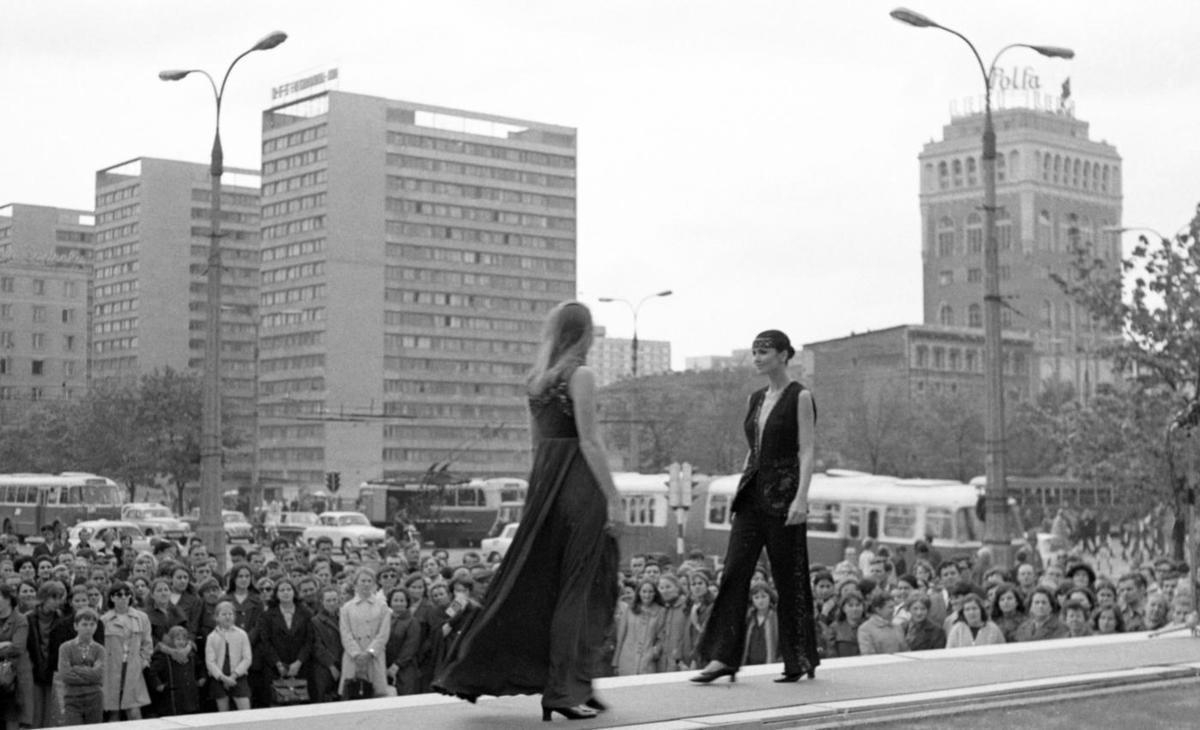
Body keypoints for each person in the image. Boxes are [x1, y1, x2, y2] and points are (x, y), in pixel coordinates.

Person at [434, 302, 621, 722]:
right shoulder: (582, 375)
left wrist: (540, 494)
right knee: (582, 588)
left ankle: (577, 685)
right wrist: (614, 496)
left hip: (547, 484)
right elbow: (590, 441)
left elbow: (536, 446)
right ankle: (563, 690)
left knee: (561, 586)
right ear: (585, 334)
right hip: (580, 485)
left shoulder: (537, 381)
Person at [694, 329, 820, 685]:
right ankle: (722, 657)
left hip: (784, 497)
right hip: (751, 496)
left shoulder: (801, 396)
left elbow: (807, 451)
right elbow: (754, 448)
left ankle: (799, 658)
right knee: (734, 571)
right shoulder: (755, 399)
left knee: (789, 576)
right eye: (754, 352)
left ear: (783, 355)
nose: (757, 358)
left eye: (764, 351)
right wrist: (742, 482)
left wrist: (801, 498)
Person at [100, 581, 152, 720]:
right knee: (113, 711)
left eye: (127, 594)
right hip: (111, 669)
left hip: (133, 668)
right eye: (119, 594)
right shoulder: (104, 620)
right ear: (112, 598)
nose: (123, 597)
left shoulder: (141, 617)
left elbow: (147, 644)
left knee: (134, 710)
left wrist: (142, 662)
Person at [259, 578, 313, 705]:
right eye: (281, 590)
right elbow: (265, 642)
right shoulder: (268, 615)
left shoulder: (306, 613)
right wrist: (278, 663)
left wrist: (299, 662)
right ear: (276, 594)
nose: (285, 592)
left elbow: (309, 640)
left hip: (301, 666)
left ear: (294, 592)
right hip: (275, 668)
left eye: (288, 589)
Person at [339, 568, 391, 699]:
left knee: (376, 694)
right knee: (352, 693)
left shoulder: (382, 607)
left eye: (369, 581)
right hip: (353, 658)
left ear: (374, 584)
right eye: (362, 580)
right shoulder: (347, 608)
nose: (366, 584)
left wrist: (370, 653)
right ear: (356, 583)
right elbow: (345, 633)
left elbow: (383, 633)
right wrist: (357, 654)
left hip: (374, 657)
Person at [57, 607, 106, 725]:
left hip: (95, 697)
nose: (88, 628)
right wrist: (89, 672)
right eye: (84, 624)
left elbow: (98, 675)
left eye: (92, 624)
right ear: (76, 626)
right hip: (72, 698)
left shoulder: (99, 649)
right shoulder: (66, 648)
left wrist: (76, 669)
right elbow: (65, 675)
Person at [205, 601, 252, 711]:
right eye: (224, 614)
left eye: (230, 614)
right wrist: (222, 677)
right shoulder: (211, 637)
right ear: (216, 617)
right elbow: (210, 662)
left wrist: (234, 676)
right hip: (219, 678)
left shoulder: (242, 634)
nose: (227, 617)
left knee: (245, 710)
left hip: (238, 677)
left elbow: (247, 658)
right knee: (223, 713)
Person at [614, 580, 665, 675]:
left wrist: (654, 652)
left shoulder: (661, 612)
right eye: (644, 591)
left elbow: (661, 637)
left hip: (647, 661)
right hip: (627, 658)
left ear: (655, 593)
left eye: (650, 592)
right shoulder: (630, 610)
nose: (647, 595)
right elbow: (621, 637)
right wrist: (616, 662)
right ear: (639, 593)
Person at [148, 625, 201, 716]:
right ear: (171, 640)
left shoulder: (191, 655)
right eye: (178, 639)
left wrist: (201, 678)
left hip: (189, 692)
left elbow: (200, 666)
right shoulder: (164, 656)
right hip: (172, 696)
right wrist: (158, 685)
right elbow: (152, 671)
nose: (181, 642)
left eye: (183, 639)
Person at [742, 582, 779, 666]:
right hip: (749, 666)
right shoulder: (748, 618)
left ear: (770, 597)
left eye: (764, 596)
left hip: (772, 665)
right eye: (756, 597)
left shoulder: (777, 617)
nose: (760, 601)